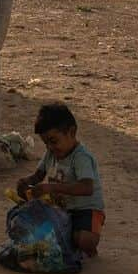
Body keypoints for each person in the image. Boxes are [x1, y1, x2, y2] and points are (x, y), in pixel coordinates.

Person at [16, 104, 105, 257]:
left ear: (72, 132)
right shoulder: (50, 154)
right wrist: (25, 183)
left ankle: (80, 244)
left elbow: (86, 187)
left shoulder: (81, 157)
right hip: (60, 209)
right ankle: (65, 238)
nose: (50, 147)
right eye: (46, 143)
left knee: (85, 240)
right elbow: (37, 176)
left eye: (54, 141)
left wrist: (52, 188)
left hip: (86, 210)